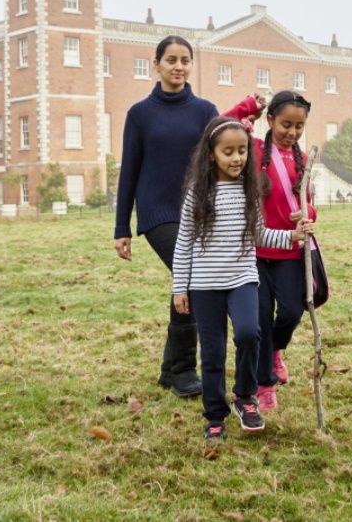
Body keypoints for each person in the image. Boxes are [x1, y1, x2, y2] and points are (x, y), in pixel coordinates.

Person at [114, 35, 262, 398]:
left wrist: (247, 116)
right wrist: (122, 227)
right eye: (171, 60)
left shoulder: (204, 109)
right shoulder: (139, 114)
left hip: (198, 211)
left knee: (187, 279)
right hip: (158, 212)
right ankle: (183, 368)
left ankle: (170, 368)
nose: (178, 67)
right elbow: (129, 171)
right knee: (193, 277)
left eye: (184, 60)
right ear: (157, 65)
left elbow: (225, 140)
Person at [171, 117, 310, 439]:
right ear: (211, 155)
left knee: (249, 333)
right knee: (214, 351)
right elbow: (184, 242)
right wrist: (180, 287)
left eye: (242, 151)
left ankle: (246, 397)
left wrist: (293, 236)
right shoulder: (198, 193)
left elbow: (259, 235)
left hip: (242, 278)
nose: (236, 158)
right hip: (205, 285)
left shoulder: (250, 190)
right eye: (228, 152)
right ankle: (215, 415)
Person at [247, 91, 316, 413]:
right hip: (256, 251)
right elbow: (220, 128)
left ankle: (277, 349)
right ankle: (264, 385)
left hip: (291, 251)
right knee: (259, 319)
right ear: (271, 120)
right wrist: (250, 107)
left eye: (299, 126)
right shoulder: (255, 149)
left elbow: (309, 203)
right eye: (286, 124)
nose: (292, 132)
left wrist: (307, 216)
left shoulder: (303, 161)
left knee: (291, 311)